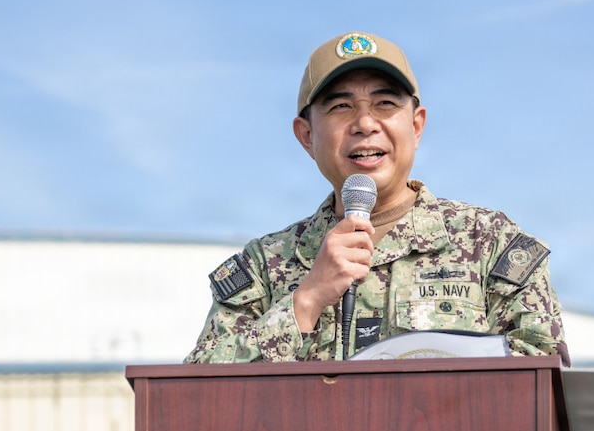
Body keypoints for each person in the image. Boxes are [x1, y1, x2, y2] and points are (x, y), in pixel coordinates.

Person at [185, 31, 570, 365]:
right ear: (306, 136)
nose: (365, 124)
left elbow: (544, 371)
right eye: (341, 107)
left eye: (385, 104)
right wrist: (304, 302)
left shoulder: (488, 243)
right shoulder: (265, 267)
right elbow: (194, 392)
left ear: (416, 125)